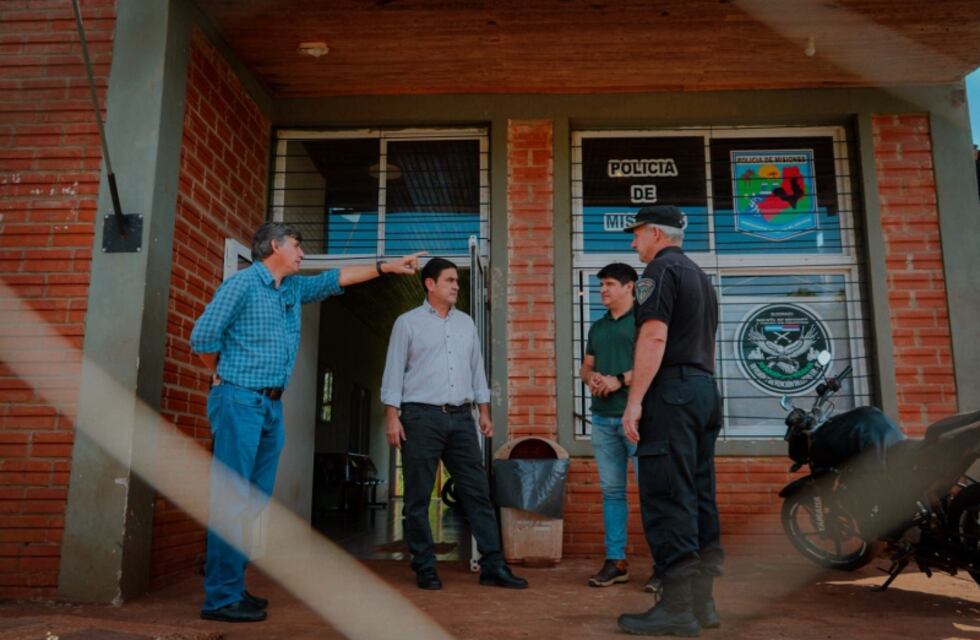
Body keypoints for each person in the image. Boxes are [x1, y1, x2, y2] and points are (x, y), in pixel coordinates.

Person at [191, 221, 423, 623]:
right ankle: (220, 598)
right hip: (239, 400)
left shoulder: (293, 291)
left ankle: (232, 586)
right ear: (275, 247)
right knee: (232, 498)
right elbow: (202, 338)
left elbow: (339, 278)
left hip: (270, 407)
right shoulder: (242, 286)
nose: (302, 254)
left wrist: (386, 267)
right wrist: (222, 374)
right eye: (297, 246)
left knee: (253, 500)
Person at [381, 257, 528, 591]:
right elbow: (393, 371)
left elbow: (477, 370)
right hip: (420, 417)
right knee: (417, 498)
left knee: (478, 494)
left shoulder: (467, 324)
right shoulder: (407, 323)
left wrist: (484, 412)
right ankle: (425, 566)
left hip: (462, 418)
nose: (456, 285)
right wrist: (393, 416)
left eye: (456, 281)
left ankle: (493, 565)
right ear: (429, 284)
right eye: (449, 280)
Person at [615, 205, 723, 636]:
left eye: (637, 233)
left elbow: (654, 335)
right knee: (699, 496)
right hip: (702, 392)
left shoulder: (658, 273)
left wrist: (635, 400)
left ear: (657, 234)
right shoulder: (699, 275)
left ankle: (677, 609)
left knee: (668, 496)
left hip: (672, 394)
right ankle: (703, 603)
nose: (632, 241)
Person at [580, 262, 645, 588]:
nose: (602, 290)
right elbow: (586, 367)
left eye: (608, 284)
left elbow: (653, 364)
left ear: (628, 286)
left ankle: (666, 566)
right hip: (603, 421)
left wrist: (619, 380)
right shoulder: (598, 327)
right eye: (601, 285)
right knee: (612, 492)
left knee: (652, 492)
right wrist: (591, 377)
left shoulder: (644, 322)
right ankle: (616, 561)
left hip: (637, 420)